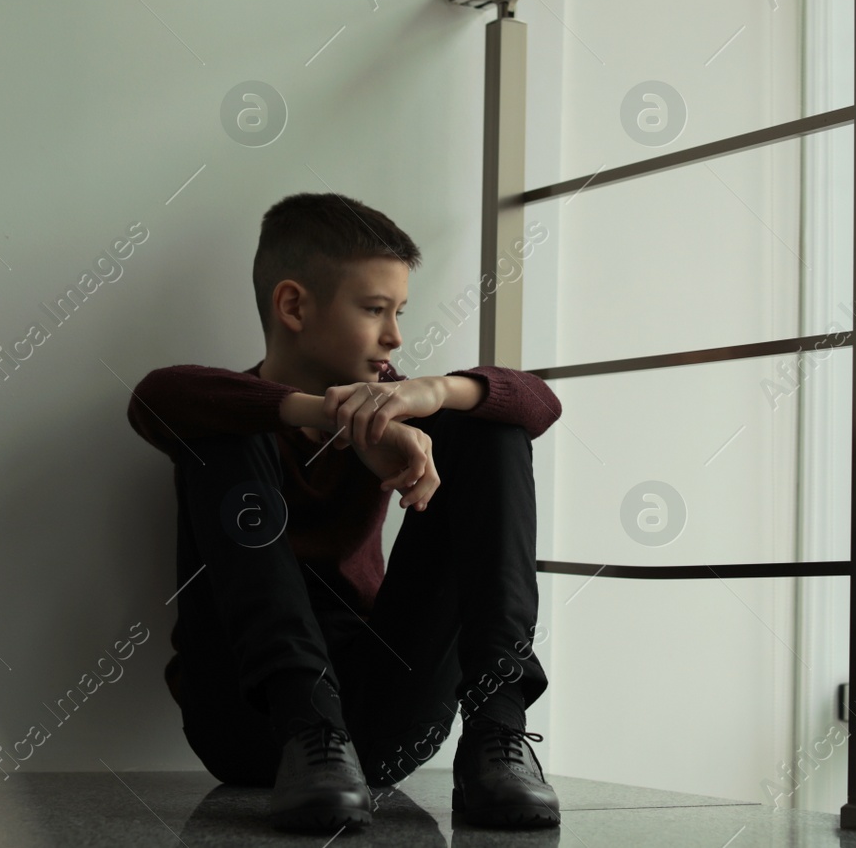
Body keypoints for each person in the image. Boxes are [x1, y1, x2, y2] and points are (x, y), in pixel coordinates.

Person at [126, 191, 563, 832]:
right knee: (227, 430)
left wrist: (432, 392)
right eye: (375, 309)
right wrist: (319, 408)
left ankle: (498, 732)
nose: (395, 336)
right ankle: (306, 721)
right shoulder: (214, 407)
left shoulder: (396, 404)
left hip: (377, 724)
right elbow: (156, 395)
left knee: (489, 428)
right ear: (294, 305)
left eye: (399, 312)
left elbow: (538, 404)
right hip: (248, 725)